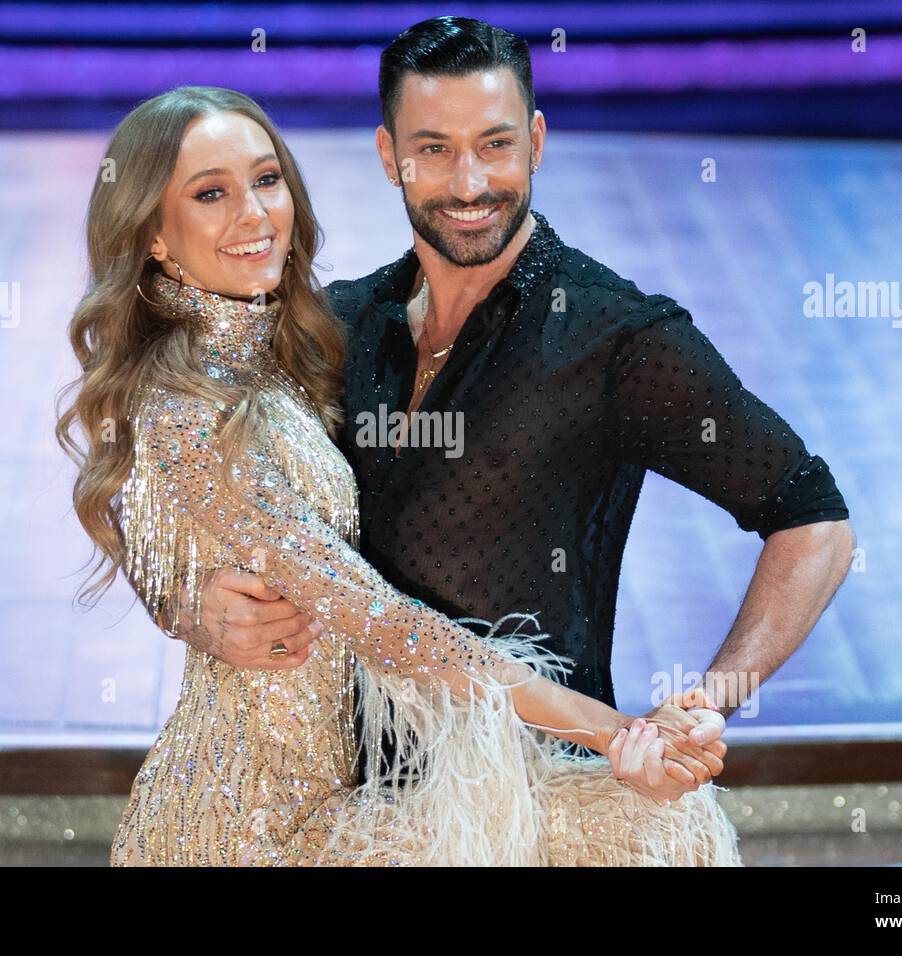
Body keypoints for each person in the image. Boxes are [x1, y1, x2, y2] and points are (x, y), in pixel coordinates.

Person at [56, 83, 743, 866]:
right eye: (211, 193)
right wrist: (617, 732)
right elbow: (378, 618)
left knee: (661, 828)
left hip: (354, 790)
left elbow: (166, 529)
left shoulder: (286, 349)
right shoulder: (188, 408)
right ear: (152, 234)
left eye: (267, 179)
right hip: (252, 830)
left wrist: (185, 604)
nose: (254, 214)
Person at [179, 17, 856, 780]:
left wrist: (708, 702)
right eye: (434, 149)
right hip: (344, 811)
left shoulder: (616, 336)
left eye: (494, 146)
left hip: (538, 809)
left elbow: (814, 522)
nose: (469, 184)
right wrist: (192, 612)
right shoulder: (336, 324)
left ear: (535, 142)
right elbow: (168, 484)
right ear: (388, 156)